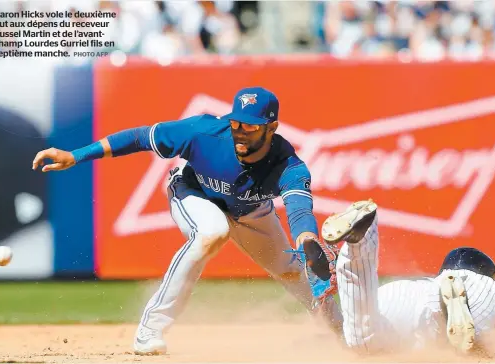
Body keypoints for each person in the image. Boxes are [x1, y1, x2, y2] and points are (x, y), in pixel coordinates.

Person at [32, 87, 342, 355]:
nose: (239, 130)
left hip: (251, 210)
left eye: (249, 126)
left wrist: (308, 240)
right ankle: (150, 330)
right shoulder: (204, 133)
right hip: (193, 192)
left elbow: (300, 210)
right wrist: (76, 155)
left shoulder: (289, 165)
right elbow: (140, 137)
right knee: (212, 232)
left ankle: (340, 329)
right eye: (236, 122)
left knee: (291, 269)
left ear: (271, 127)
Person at [313, 199, 495, 356]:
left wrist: (327, 307)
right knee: (471, 350)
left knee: (361, 339)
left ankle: (358, 242)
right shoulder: (485, 284)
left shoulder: (420, 285)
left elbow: (343, 331)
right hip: (467, 301)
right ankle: (462, 324)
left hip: (399, 300)